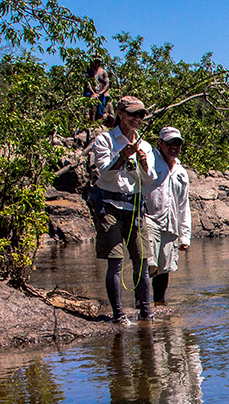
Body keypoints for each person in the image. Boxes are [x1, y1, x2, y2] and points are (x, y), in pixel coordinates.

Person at [88, 95, 156, 323]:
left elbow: (150, 182)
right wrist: (122, 157)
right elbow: (104, 175)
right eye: (133, 114)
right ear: (121, 114)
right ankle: (118, 314)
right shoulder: (104, 140)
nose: (138, 118)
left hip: (135, 207)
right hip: (110, 206)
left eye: (141, 114)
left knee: (142, 260)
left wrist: (145, 164)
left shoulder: (145, 145)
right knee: (116, 262)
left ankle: (146, 312)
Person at [143, 126, 191, 304]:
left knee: (164, 269)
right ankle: (142, 306)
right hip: (149, 221)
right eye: (170, 143)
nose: (174, 147)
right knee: (148, 265)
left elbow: (183, 206)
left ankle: (159, 304)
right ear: (160, 143)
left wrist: (185, 236)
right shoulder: (148, 161)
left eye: (177, 143)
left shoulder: (181, 172)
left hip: (171, 225)